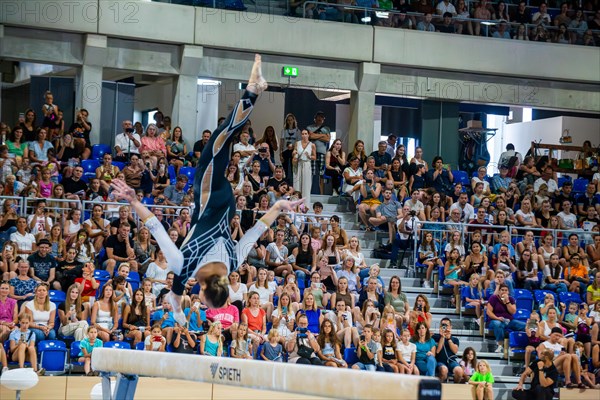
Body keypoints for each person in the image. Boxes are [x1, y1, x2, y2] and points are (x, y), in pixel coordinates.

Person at [110, 55, 306, 325]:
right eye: (200, 292)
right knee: (221, 136)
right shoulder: (183, 264)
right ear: (204, 287)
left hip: (226, 205)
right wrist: (133, 201)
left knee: (223, 139)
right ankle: (253, 90)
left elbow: (257, 230)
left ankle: (252, 92)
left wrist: (277, 207)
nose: (197, 290)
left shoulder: (233, 264)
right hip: (209, 195)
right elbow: (155, 226)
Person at [487, 284, 526, 353]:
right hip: (495, 320)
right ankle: (500, 344)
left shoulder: (511, 299)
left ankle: (520, 344)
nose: (504, 292)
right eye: (502, 290)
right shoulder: (493, 298)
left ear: (508, 292)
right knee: (497, 324)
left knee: (524, 326)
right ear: (499, 291)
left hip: (508, 321)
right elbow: (489, 312)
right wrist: (497, 318)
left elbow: (513, 311)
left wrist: (507, 301)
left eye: (506, 290)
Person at [307, 111, 331, 195]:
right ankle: (309, 192)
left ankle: (321, 193)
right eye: (318, 117)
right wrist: (322, 135)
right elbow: (310, 136)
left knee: (321, 174)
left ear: (323, 119)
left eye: (322, 117)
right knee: (311, 173)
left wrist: (316, 135)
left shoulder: (326, 128)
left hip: (322, 153)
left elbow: (328, 139)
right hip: (312, 153)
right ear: (315, 118)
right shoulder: (309, 127)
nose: (320, 119)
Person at [432, 318, 463, 383]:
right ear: (440, 327)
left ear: (450, 327)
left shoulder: (455, 339)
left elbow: (455, 351)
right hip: (440, 361)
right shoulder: (435, 337)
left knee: (459, 371)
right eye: (443, 325)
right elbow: (437, 351)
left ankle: (455, 386)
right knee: (444, 370)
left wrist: (449, 339)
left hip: (451, 361)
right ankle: (441, 387)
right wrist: (442, 337)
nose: (445, 327)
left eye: (446, 325)